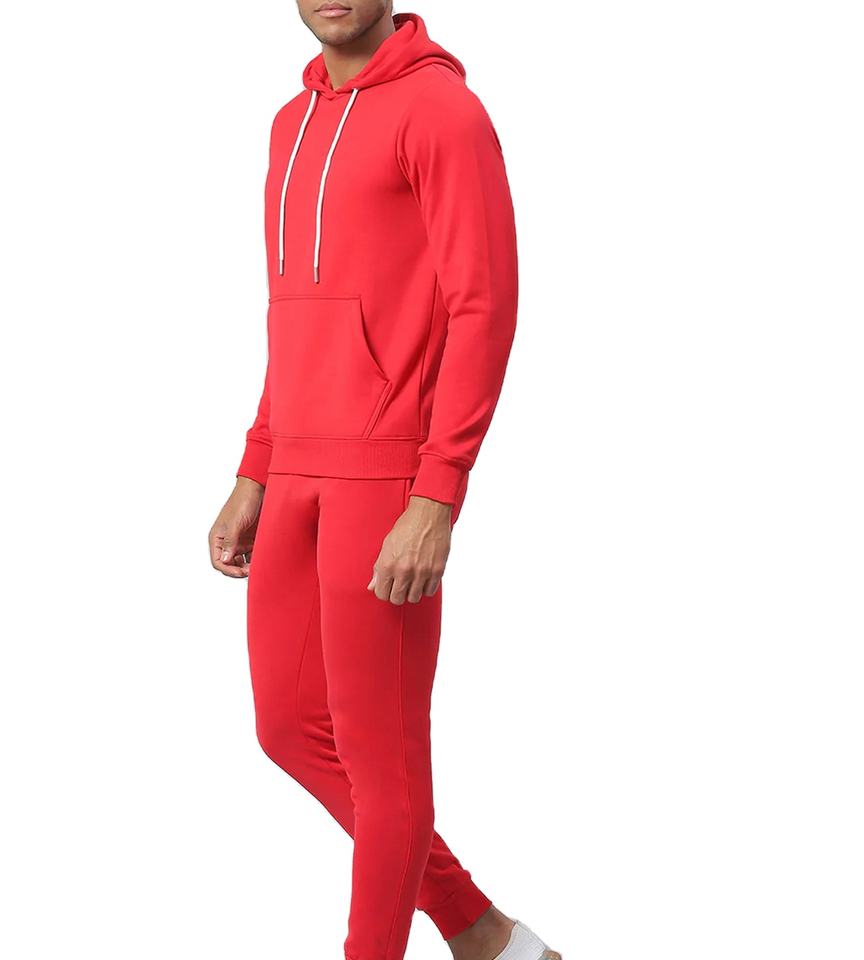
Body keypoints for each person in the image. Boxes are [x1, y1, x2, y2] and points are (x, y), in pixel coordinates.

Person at [208, 5, 559, 960]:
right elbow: (293, 311)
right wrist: (256, 465)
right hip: (295, 468)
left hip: (386, 475)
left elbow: (484, 305)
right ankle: (480, 930)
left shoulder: (443, 111)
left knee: (382, 759)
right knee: (288, 727)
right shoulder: (290, 122)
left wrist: (437, 493)